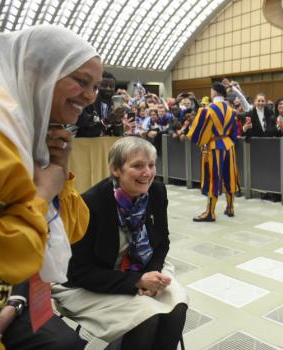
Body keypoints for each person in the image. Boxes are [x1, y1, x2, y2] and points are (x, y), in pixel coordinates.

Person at [0, 24, 99, 350]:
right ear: (38, 72)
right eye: (81, 81)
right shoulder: (2, 132)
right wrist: (42, 194)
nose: (91, 96)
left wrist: (60, 170)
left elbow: (73, 228)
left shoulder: (29, 133)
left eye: (96, 86)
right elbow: (7, 257)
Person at [52, 137, 189, 350]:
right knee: (146, 317)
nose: (147, 173)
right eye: (137, 166)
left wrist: (150, 276)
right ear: (116, 169)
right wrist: (137, 281)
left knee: (177, 307)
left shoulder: (157, 192)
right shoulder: (91, 203)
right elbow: (78, 272)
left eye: (151, 165)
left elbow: (162, 242)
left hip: (144, 268)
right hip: (91, 282)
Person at [187, 82, 240, 222]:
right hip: (229, 146)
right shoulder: (232, 111)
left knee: (213, 178)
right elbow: (234, 134)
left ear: (214, 93)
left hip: (214, 146)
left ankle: (210, 212)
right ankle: (230, 207)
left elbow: (197, 132)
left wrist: (201, 143)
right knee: (230, 176)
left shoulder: (207, 110)